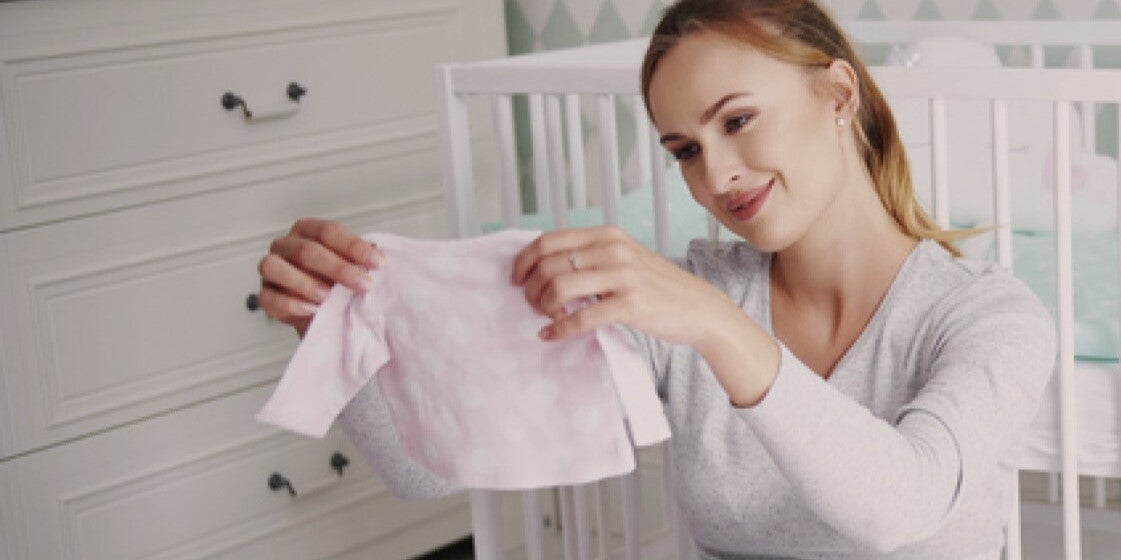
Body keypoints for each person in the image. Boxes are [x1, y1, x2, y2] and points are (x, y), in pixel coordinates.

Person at [253, 1, 1057, 557]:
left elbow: (901, 506)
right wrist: (333, 324)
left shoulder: (989, 317)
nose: (717, 176)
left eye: (737, 120)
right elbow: (426, 470)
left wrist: (719, 328)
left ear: (838, 94)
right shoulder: (690, 303)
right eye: (685, 151)